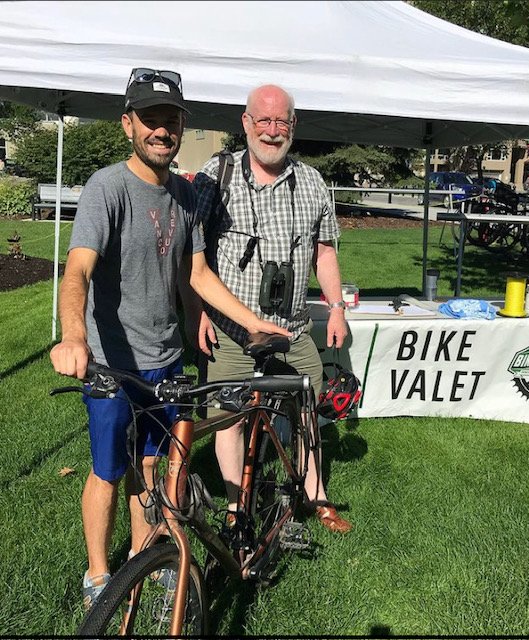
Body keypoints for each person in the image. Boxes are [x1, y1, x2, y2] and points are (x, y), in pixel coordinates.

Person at [49, 69, 289, 610]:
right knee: (109, 470)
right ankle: (96, 576)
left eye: (171, 120)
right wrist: (73, 337)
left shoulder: (184, 194)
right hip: (112, 361)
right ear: (127, 124)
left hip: (165, 359)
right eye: (150, 120)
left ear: (182, 126)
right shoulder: (106, 188)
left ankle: (140, 562)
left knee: (152, 468)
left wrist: (251, 322)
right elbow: (77, 272)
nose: (162, 130)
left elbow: (198, 275)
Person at [193, 84, 352, 534]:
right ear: (246, 123)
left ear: (293, 127)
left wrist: (336, 308)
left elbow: (325, 253)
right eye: (263, 120)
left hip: (292, 329)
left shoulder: (312, 182)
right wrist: (201, 309)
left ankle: (316, 497)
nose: (272, 130)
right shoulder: (216, 175)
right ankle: (234, 505)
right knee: (228, 418)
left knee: (306, 413)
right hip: (232, 329)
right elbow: (193, 255)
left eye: (282, 121)